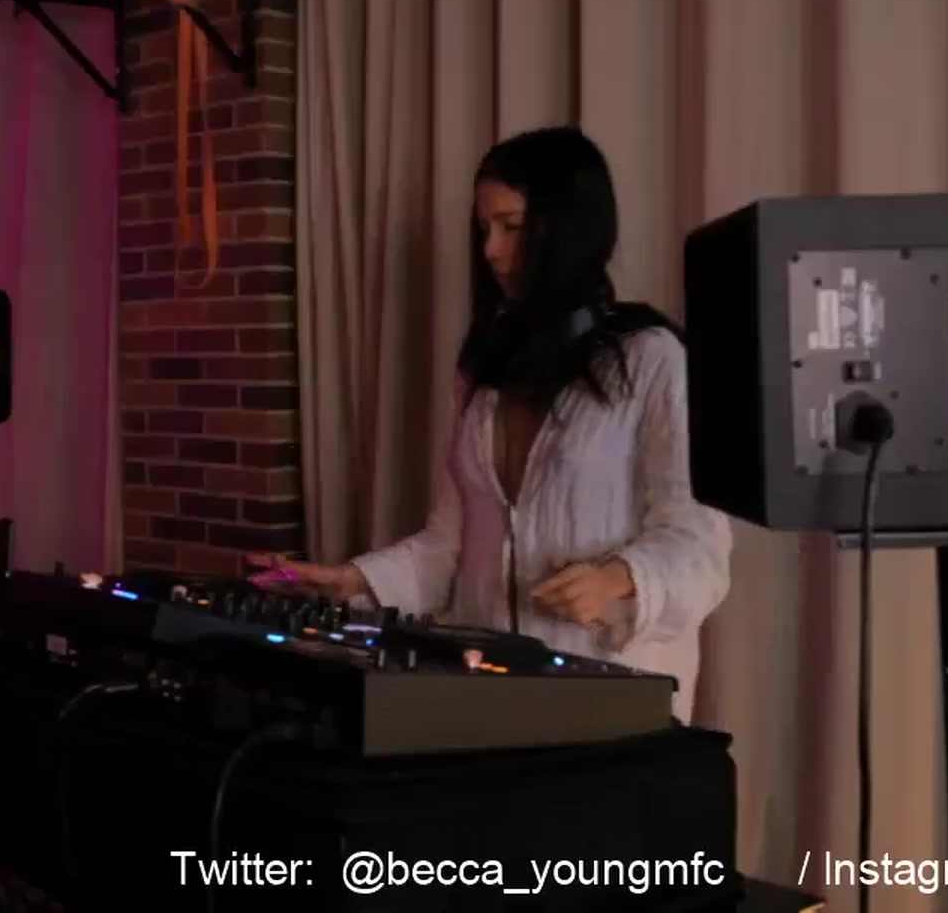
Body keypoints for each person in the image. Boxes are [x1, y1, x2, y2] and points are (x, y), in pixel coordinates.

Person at [252, 125, 733, 722]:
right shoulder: (484, 372)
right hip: (487, 693)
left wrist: (618, 579)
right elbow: (450, 545)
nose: (490, 251)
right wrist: (351, 581)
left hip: (614, 702)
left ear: (569, 229)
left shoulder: (652, 360)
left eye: (511, 226)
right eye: (484, 229)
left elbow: (699, 544)